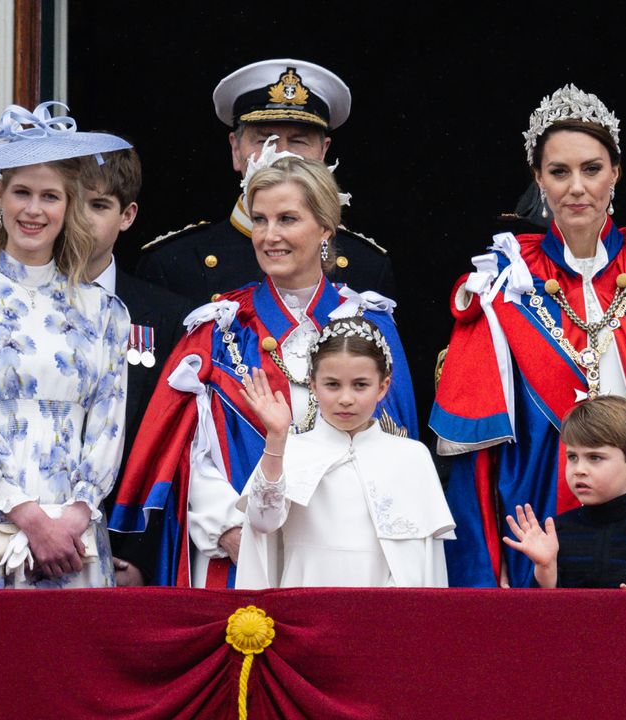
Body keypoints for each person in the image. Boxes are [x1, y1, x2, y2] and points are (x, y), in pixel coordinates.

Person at [431, 84, 626, 590]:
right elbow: (476, 445)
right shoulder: (505, 280)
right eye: (559, 172)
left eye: (591, 168)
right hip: (543, 496)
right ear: (539, 179)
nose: (577, 187)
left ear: (616, 173)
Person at [110, 147, 417, 588]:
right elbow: (188, 456)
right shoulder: (217, 331)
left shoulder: (371, 326)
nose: (269, 235)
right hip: (238, 559)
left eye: (287, 219)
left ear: (326, 230)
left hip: (346, 561)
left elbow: (394, 452)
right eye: (260, 220)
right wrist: (229, 529)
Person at [0, 103, 130, 588]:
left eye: (50, 196)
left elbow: (107, 424)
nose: (34, 210)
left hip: (74, 537)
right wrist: (29, 518)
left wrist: (76, 514)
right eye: (21, 192)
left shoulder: (104, 313)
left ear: (68, 204)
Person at [135, 58, 396, 306]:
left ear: (323, 153)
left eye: (298, 140)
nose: (281, 154)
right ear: (236, 150)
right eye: (264, 140)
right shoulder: (173, 265)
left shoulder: (366, 266)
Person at [235, 318, 454, 588]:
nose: (346, 398)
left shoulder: (412, 457)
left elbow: (425, 565)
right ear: (313, 386)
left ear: (382, 387)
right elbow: (262, 522)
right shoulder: (291, 451)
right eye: (333, 385)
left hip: (383, 613)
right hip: (305, 607)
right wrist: (276, 440)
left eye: (360, 385)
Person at [77, 146, 190, 586]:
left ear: (127, 215)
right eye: (73, 201)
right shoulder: (20, 305)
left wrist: (139, 553)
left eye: (100, 205)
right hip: (33, 539)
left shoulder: (166, 317)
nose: (82, 219)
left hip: (127, 549)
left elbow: (171, 444)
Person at [503, 396, 626, 590]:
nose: (579, 469)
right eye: (572, 457)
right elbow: (541, 615)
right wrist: (545, 569)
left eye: (594, 457)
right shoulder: (557, 532)